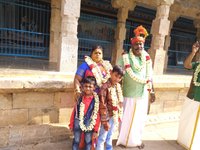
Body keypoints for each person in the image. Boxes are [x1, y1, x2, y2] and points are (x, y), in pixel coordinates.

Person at [116, 25, 155, 149]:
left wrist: (152, 92)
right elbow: (117, 74)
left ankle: (137, 140)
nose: (139, 47)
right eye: (136, 44)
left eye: (141, 45)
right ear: (132, 46)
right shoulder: (125, 58)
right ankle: (123, 141)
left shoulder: (147, 58)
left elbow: (150, 76)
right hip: (129, 94)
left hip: (143, 94)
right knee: (126, 119)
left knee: (140, 119)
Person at [177, 41, 200, 150]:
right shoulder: (198, 64)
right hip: (191, 96)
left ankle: (192, 144)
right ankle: (183, 140)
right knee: (186, 120)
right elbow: (186, 65)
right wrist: (193, 52)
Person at [96, 65, 125, 150]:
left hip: (114, 115)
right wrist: (105, 121)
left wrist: (119, 114)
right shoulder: (105, 87)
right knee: (102, 137)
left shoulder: (117, 86)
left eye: (119, 77)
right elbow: (102, 105)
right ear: (111, 72)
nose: (117, 79)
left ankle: (109, 148)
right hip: (107, 117)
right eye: (116, 75)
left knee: (110, 134)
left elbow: (119, 102)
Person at [69, 76, 100, 150]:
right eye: (86, 86)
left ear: (94, 88)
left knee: (88, 141)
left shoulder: (96, 100)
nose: (88, 88)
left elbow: (97, 115)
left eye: (90, 86)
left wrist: (96, 129)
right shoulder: (79, 97)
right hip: (77, 121)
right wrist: (71, 123)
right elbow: (75, 111)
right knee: (76, 140)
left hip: (89, 123)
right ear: (82, 87)